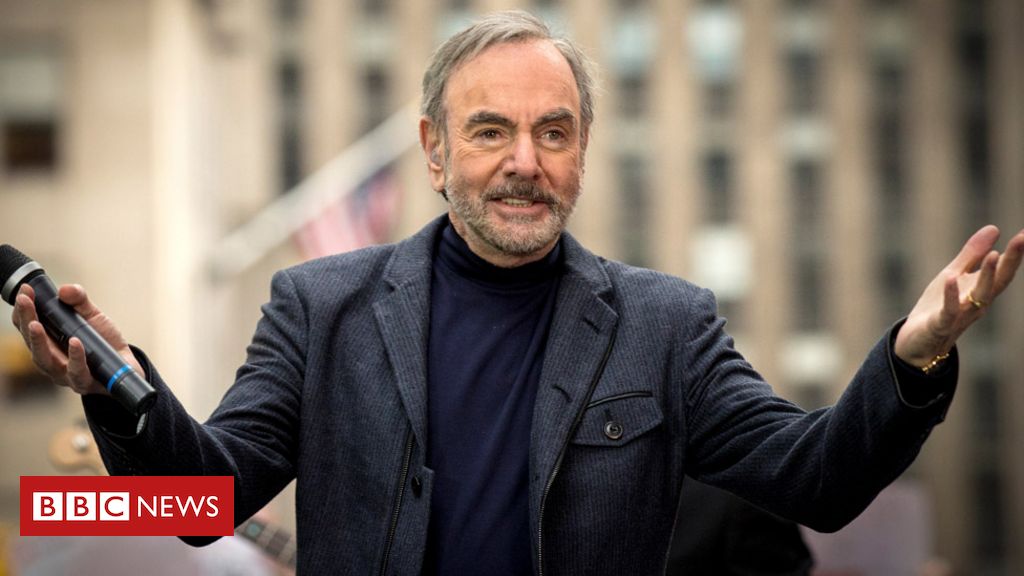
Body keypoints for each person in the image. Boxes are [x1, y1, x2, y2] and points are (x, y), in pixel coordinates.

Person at [9, 10, 1024, 576]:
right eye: (491, 130)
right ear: (434, 150)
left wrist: (915, 355)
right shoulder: (316, 308)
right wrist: (114, 389)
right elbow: (207, 505)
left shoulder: (668, 326)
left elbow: (820, 481)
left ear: (583, 151)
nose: (524, 162)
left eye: (553, 132)